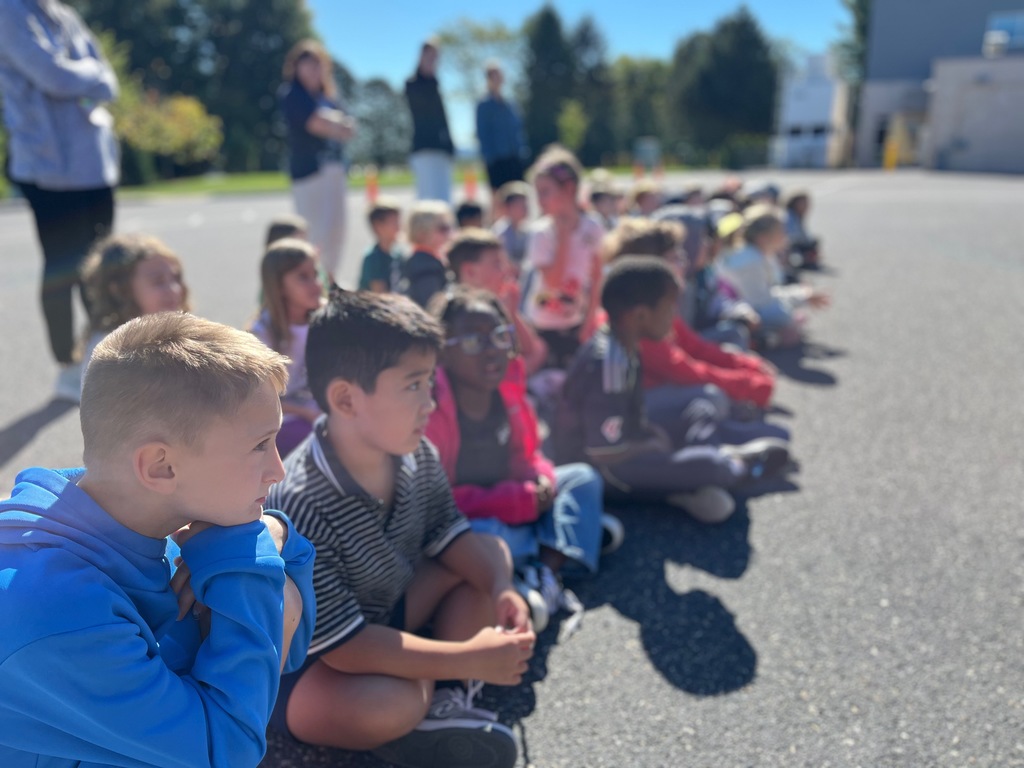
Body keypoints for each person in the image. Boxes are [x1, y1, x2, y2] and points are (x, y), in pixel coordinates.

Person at [0, 312, 316, 768]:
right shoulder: (54, 608)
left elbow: (287, 648)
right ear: (161, 467)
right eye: (259, 445)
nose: (279, 471)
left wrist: (273, 533)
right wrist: (250, 557)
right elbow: (229, 751)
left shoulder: (142, 516)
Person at [266, 290, 533, 768]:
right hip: (309, 667)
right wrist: (468, 657)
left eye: (430, 382)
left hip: (385, 613)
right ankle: (428, 704)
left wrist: (502, 588)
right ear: (346, 399)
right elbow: (345, 648)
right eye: (413, 386)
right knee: (391, 704)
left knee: (488, 558)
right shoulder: (301, 501)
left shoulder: (416, 452)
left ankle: (442, 701)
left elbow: (450, 534)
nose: (430, 402)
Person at [426, 286, 612, 634]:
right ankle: (558, 545)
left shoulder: (508, 386)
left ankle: (543, 574)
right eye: (473, 341)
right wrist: (519, 500)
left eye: (500, 335)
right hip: (472, 522)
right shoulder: (431, 408)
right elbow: (435, 505)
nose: (492, 349)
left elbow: (528, 455)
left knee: (582, 478)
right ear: (444, 352)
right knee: (480, 539)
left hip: (515, 503)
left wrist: (538, 478)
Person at [555, 257, 791, 524]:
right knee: (709, 466)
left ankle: (691, 480)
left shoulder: (626, 342)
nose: (674, 315)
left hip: (626, 442)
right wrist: (649, 444)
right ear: (640, 315)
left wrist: (649, 433)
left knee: (700, 406)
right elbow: (604, 452)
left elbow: (631, 413)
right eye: (669, 307)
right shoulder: (610, 364)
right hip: (606, 470)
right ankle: (732, 466)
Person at [0, 0, 119, 400]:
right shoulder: (9, 12)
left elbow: (109, 81)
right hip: (48, 166)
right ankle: (67, 363)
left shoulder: (65, 15)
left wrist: (83, 77)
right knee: (63, 266)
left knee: (102, 266)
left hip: (95, 165)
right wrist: (90, 76)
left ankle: (103, 353)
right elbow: (52, 77)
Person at [279, 39, 356, 286]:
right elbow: (314, 124)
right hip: (309, 172)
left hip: (334, 170)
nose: (313, 69)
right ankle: (311, 280)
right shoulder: (293, 95)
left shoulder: (329, 98)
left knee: (337, 229)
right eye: (307, 64)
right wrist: (336, 123)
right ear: (296, 67)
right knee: (314, 231)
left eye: (318, 64)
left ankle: (329, 279)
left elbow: (350, 129)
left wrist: (331, 122)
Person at [522, 145, 604, 370]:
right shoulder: (541, 233)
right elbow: (552, 283)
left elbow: (597, 277)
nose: (539, 200)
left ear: (568, 188)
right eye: (537, 192)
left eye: (545, 192)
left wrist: (589, 321)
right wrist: (563, 238)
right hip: (542, 323)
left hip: (577, 321)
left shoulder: (593, 227)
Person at [80, 233, 190, 385]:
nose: (174, 289)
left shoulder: (176, 333)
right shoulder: (112, 354)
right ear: (121, 290)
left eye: (175, 278)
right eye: (158, 281)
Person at [250, 238, 325, 457]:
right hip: (283, 417)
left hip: (319, 407)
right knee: (320, 441)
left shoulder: (325, 319)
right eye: (303, 277)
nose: (316, 284)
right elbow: (259, 399)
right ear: (279, 286)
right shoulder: (262, 333)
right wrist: (306, 412)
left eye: (316, 274)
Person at [716, 205, 830, 347]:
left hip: (743, 307)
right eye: (781, 231)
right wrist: (800, 299)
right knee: (785, 318)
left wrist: (802, 295)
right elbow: (760, 304)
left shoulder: (756, 255)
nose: (785, 235)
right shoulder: (751, 261)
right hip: (737, 313)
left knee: (788, 316)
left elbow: (767, 295)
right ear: (763, 238)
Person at [446, 228, 547, 377]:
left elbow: (531, 348)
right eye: (497, 264)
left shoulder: (493, 305)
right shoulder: (458, 316)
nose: (506, 272)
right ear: (470, 272)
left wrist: (511, 312)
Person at [405, 40, 455, 203]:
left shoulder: (435, 84)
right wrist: (430, 79)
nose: (433, 61)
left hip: (441, 148)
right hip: (423, 148)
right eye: (430, 56)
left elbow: (442, 118)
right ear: (421, 57)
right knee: (426, 198)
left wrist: (450, 144)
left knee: (444, 198)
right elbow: (425, 113)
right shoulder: (413, 84)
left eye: (436, 57)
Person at [475, 62, 527, 195]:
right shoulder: (484, 105)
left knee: (518, 194)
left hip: (514, 157)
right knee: (499, 197)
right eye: (493, 76)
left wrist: (521, 152)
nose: (497, 79)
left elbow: (518, 129)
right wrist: (489, 160)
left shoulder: (511, 104)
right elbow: (482, 133)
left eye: (498, 76)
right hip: (496, 160)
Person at [401, 200, 454, 308]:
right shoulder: (425, 266)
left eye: (448, 227)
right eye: (443, 228)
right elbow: (432, 305)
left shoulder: (424, 258)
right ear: (422, 233)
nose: (449, 232)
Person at [358, 197, 403, 293]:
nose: (399, 227)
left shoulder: (398, 254)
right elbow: (380, 295)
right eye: (394, 222)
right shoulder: (373, 258)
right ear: (378, 226)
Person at [491, 181, 531, 271]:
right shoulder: (499, 231)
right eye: (520, 205)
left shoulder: (529, 229)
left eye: (525, 204)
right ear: (508, 207)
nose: (525, 208)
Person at [784, 190, 821, 269]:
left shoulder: (797, 216)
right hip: (789, 248)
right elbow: (791, 239)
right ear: (794, 203)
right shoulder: (789, 218)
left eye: (807, 203)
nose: (807, 206)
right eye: (803, 203)